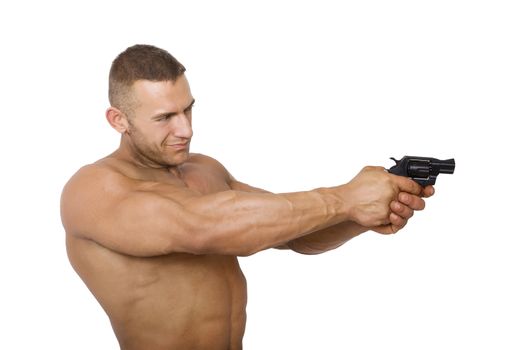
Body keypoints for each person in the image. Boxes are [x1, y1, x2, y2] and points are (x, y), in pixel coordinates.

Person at [60, 44, 434, 350]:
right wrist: (348, 199)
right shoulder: (95, 188)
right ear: (118, 120)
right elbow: (203, 227)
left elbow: (293, 232)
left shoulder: (203, 169)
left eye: (188, 109)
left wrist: (366, 214)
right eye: (165, 118)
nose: (185, 129)